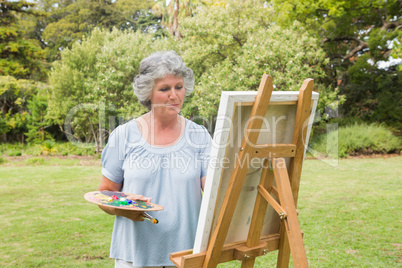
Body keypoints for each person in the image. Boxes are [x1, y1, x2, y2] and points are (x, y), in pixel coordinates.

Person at [98, 50, 212, 268]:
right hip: (134, 254)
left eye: (179, 87)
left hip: (185, 255)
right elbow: (106, 193)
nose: (174, 95)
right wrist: (122, 208)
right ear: (147, 93)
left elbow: (214, 191)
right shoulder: (124, 136)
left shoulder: (199, 136)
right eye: (164, 89)